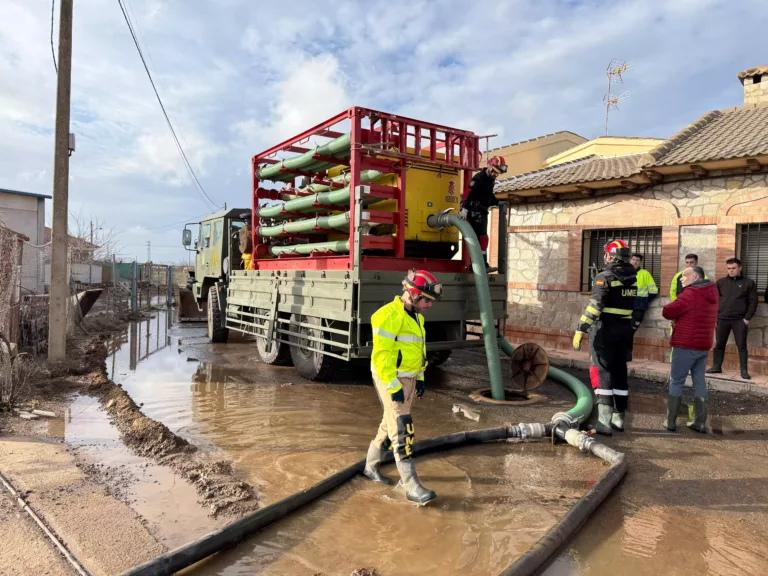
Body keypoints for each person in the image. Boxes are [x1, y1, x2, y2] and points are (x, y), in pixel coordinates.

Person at [362, 269, 441, 505]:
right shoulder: (387, 315)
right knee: (402, 428)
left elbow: (419, 350)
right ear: (413, 294)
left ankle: (370, 467)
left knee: (389, 425)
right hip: (392, 379)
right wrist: (392, 385)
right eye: (427, 300)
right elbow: (381, 356)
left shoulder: (417, 317)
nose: (429, 305)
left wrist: (421, 377)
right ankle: (410, 485)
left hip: (410, 378)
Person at [573, 239, 637, 436]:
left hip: (605, 330)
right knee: (620, 371)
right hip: (625, 330)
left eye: (606, 254)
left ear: (610, 257)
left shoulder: (604, 277)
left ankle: (603, 422)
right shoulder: (634, 277)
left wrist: (581, 328)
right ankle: (619, 418)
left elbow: (595, 306)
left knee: (604, 372)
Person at [662, 266, 718, 433]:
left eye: (685, 275)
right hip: (703, 344)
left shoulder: (690, 293)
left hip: (685, 344)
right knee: (699, 381)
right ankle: (700, 422)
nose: (681, 278)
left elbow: (668, 311)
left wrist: (675, 318)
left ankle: (670, 422)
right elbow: (694, 313)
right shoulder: (712, 292)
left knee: (677, 380)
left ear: (695, 277)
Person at [707, 258, 758, 380]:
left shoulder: (749, 283)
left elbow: (753, 302)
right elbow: (714, 301)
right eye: (729, 268)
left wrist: (747, 319)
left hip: (739, 320)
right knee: (719, 343)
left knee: (741, 345)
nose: (731, 271)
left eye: (733, 268)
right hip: (722, 319)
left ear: (740, 268)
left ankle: (744, 371)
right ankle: (716, 366)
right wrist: (715, 316)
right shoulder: (721, 283)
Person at [458, 156, 507, 273]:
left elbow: (488, 196)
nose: (496, 175)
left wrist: (498, 202)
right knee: (481, 239)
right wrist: (464, 209)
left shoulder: (490, 180)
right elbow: (468, 193)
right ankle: (481, 265)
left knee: (481, 239)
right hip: (475, 212)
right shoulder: (479, 178)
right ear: (490, 167)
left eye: (498, 173)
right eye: (495, 172)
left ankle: (477, 265)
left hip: (482, 212)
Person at [628, 253, 658, 360]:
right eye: (633, 259)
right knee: (623, 331)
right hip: (625, 307)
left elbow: (654, 291)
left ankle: (627, 355)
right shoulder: (625, 273)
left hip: (638, 308)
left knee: (630, 331)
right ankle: (623, 355)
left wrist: (644, 301)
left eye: (637, 260)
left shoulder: (645, 274)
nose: (635, 262)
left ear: (640, 262)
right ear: (630, 260)